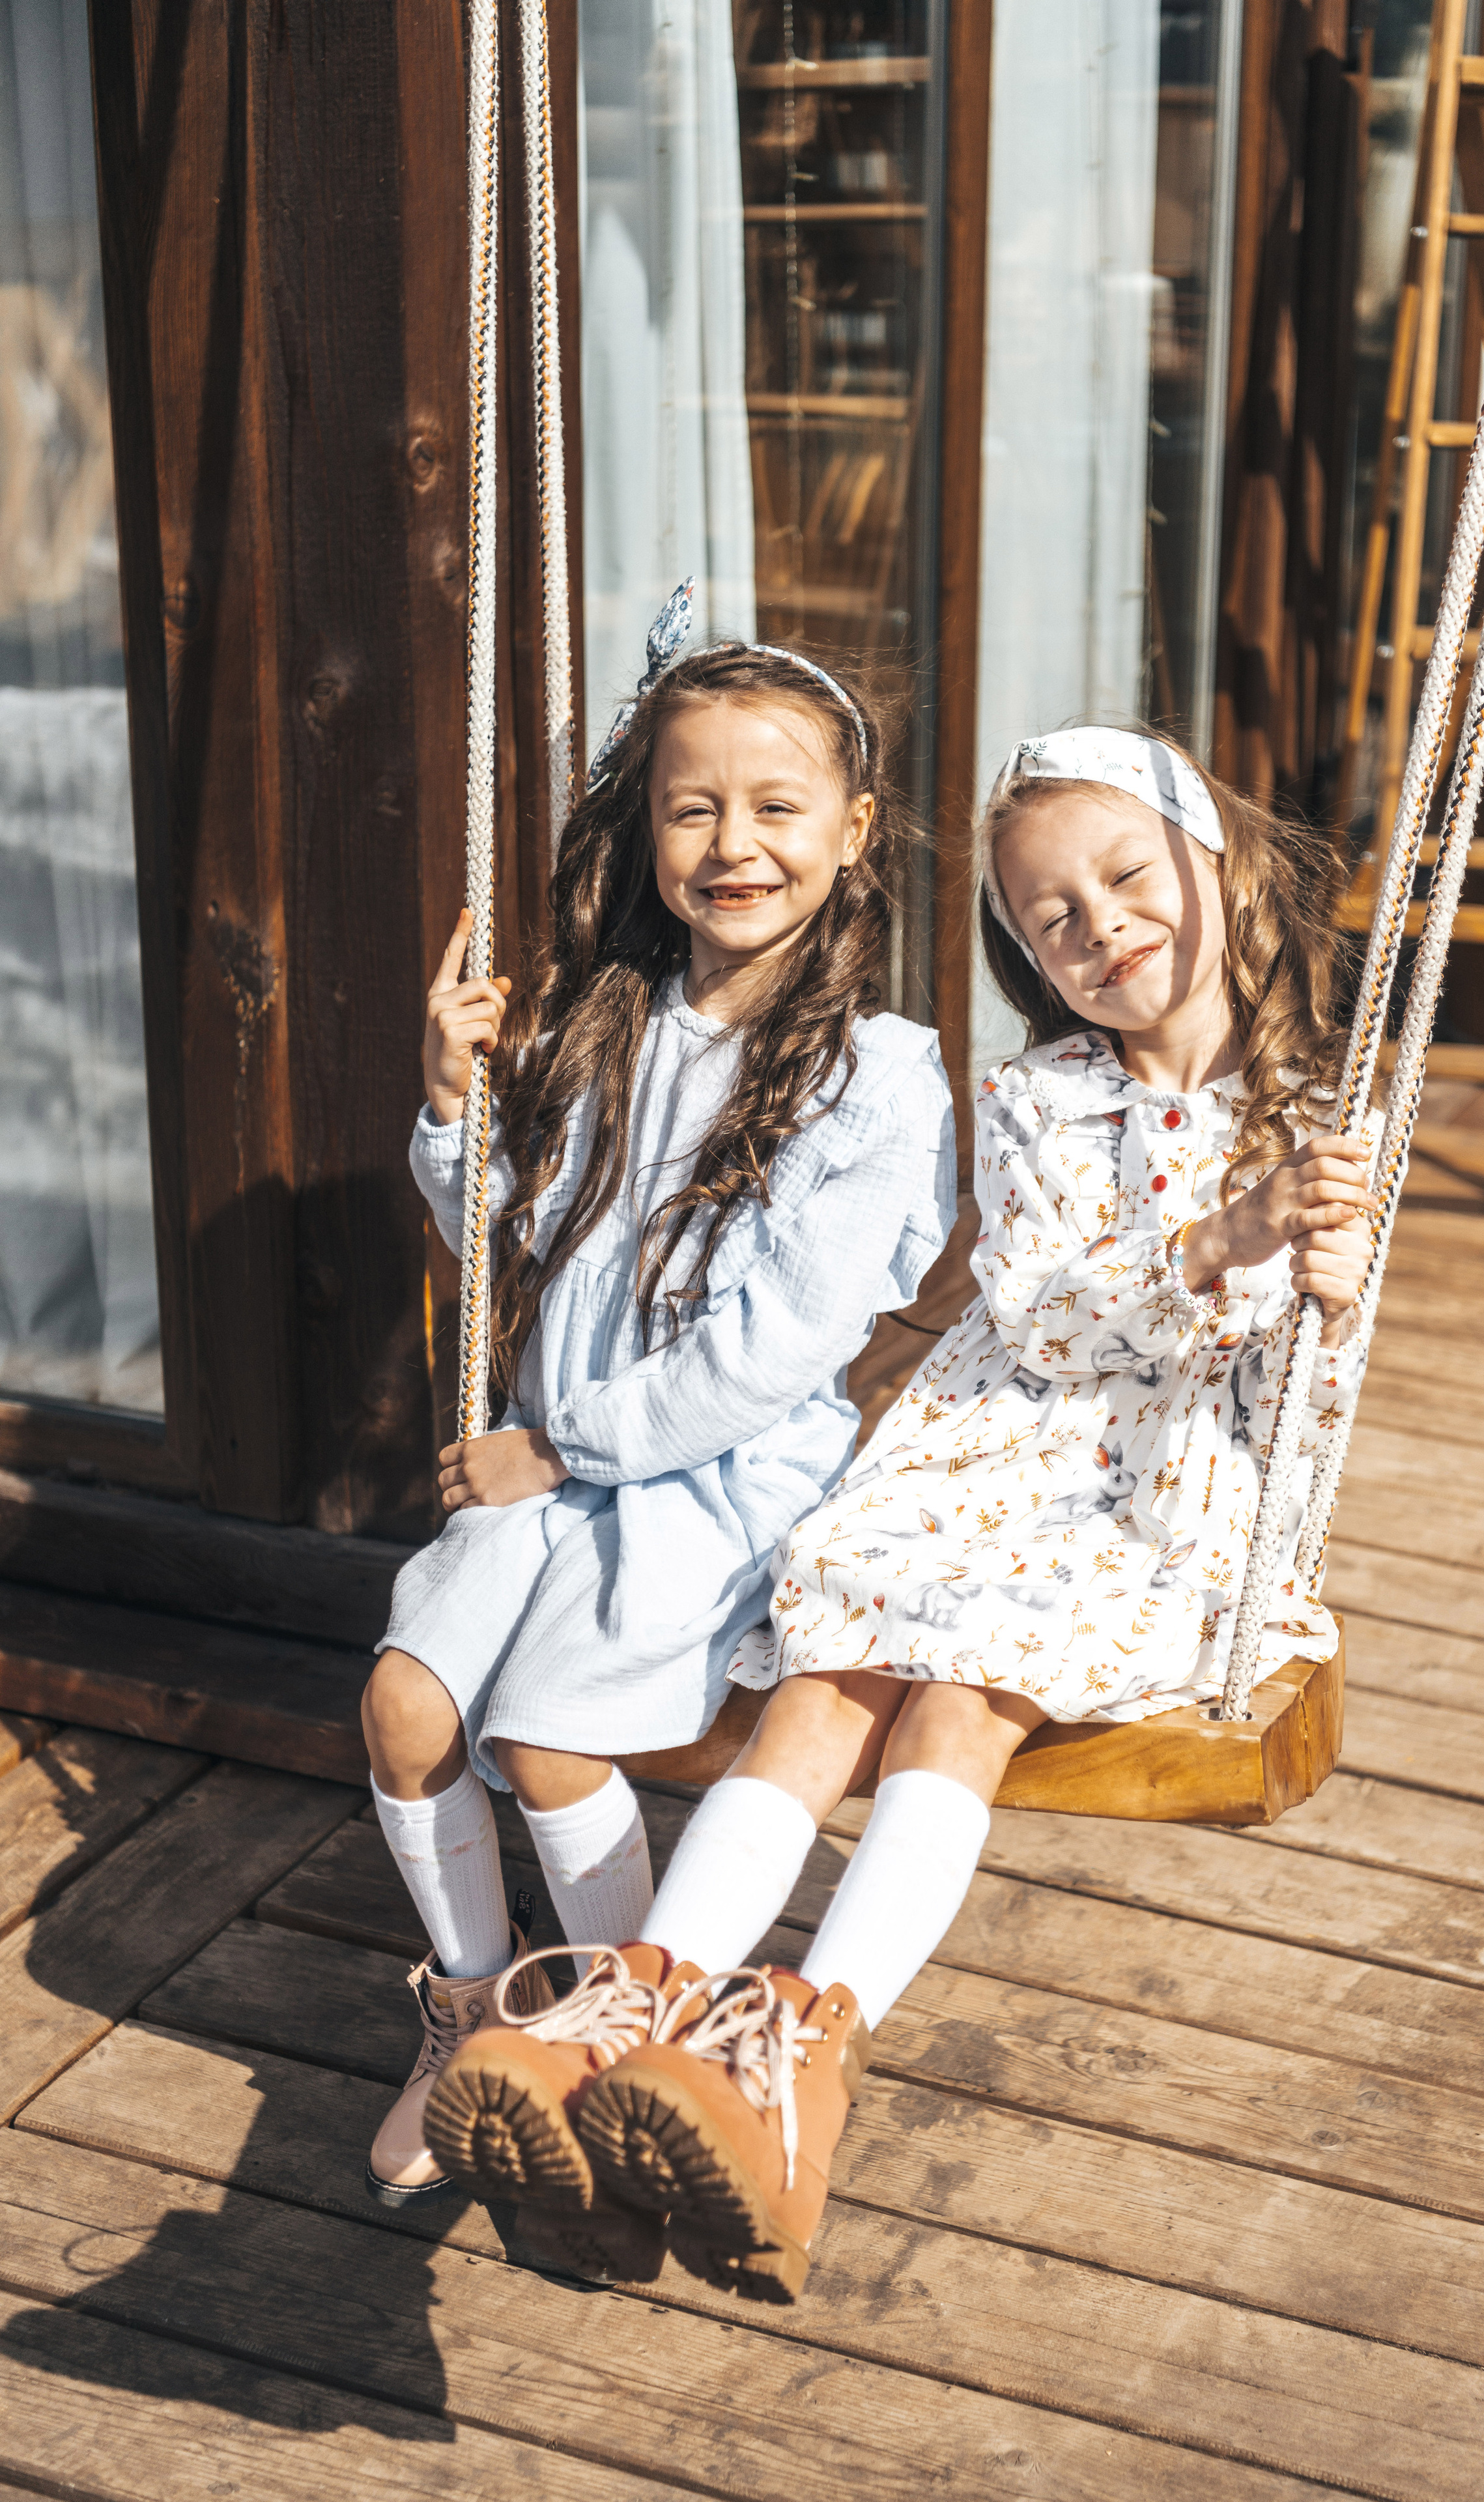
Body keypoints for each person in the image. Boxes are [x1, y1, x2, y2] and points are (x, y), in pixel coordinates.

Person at [435, 724, 1375, 2301]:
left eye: (1125, 879)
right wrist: (1224, 1243)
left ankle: (802, 2051)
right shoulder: (1031, 1097)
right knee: (826, 1687)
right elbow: (1050, 1312)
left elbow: (1301, 1416)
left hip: (1146, 1505)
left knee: (957, 1704)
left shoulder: (1327, 1116)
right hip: (971, 1459)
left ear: (1214, 865)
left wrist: (1325, 1309)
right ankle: (642, 2017)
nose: (1097, 927)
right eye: (1047, 918)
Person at [359, 596, 956, 2263]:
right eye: (692, 807)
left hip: (707, 1477)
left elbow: (778, 1350)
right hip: (550, 1463)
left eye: (775, 808)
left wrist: (563, 1451)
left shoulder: (877, 1074)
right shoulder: (607, 1019)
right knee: (407, 1706)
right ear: (647, 832)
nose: (732, 843)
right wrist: (447, 1099)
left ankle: (631, 2034)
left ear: (850, 834)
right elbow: (506, 1234)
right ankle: (478, 2009)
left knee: (546, 1738)